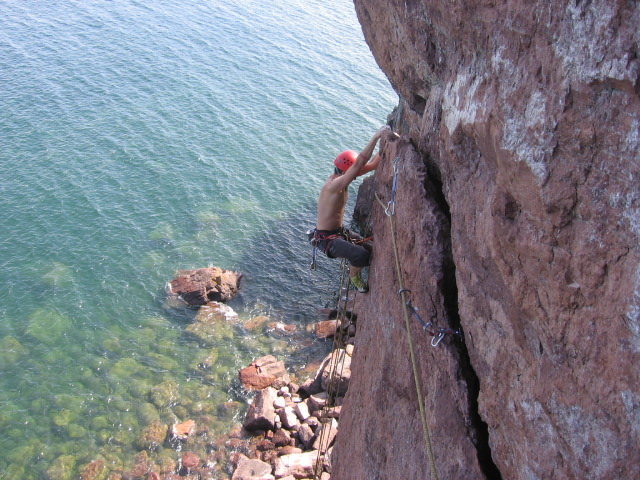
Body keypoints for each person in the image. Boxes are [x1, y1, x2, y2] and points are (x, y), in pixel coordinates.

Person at [311, 125, 392, 292]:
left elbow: (371, 165)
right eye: (354, 171)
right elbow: (361, 162)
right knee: (361, 255)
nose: (357, 174)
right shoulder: (334, 186)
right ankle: (354, 277)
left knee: (372, 247)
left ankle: (358, 267)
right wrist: (376, 137)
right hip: (327, 239)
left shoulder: (342, 177)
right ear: (348, 170)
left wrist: (387, 145)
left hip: (338, 232)